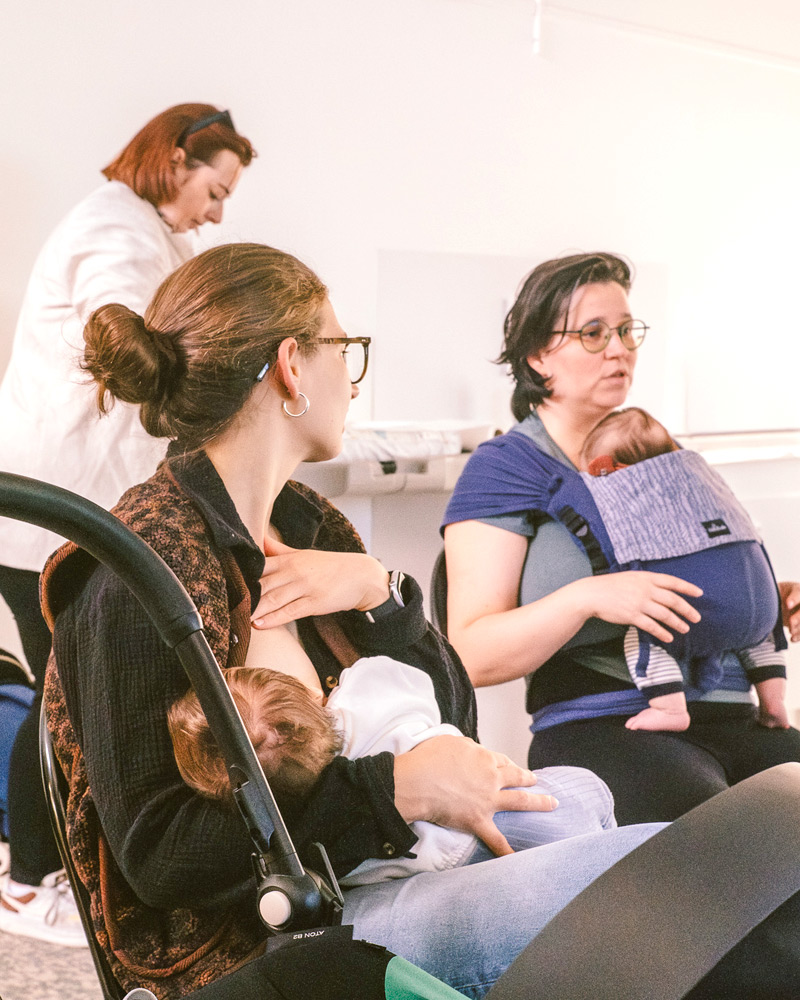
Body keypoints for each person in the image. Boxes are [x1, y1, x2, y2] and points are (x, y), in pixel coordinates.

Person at [38, 244, 800, 999]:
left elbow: (452, 716)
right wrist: (393, 789)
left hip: (402, 870)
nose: (353, 379)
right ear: (292, 366)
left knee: (721, 872)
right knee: (698, 895)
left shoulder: (309, 524)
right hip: (295, 934)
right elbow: (160, 857)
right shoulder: (138, 566)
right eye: (345, 349)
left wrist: (382, 595)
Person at [0, 103, 254, 947]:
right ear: (177, 160)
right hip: (54, 510)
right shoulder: (114, 230)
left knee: (68, 697)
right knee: (63, 702)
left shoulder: (145, 231)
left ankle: (49, 874)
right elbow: (128, 331)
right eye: (215, 190)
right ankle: (27, 883)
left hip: (73, 509)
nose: (216, 212)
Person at [442, 251, 800, 828]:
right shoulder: (507, 469)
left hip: (739, 715)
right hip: (608, 721)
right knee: (733, 837)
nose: (619, 349)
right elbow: (470, 654)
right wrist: (588, 597)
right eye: (593, 333)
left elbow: (697, 572)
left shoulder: (658, 450)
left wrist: (762, 601)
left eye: (627, 330)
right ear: (537, 355)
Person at [168, 658, 618, 886]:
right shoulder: (367, 688)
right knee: (592, 797)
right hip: (502, 808)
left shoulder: (330, 822)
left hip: (450, 859)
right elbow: (417, 677)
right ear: (308, 693)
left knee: (594, 863)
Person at [580, 406, 788, 733]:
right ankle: (774, 703)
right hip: (760, 607)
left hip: (690, 615)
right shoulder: (705, 483)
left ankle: (669, 708)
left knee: (644, 636)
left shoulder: (621, 498)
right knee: (761, 638)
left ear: (607, 469)